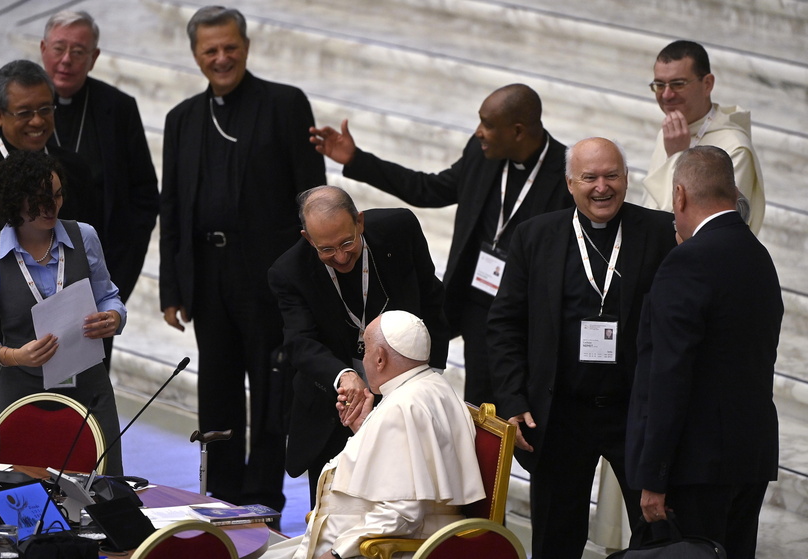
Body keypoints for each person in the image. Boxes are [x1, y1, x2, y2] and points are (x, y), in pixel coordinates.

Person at [309, 83, 573, 405]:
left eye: (487, 125)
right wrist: (358, 160)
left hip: (526, 308)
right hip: (477, 301)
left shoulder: (566, 172)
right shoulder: (483, 153)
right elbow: (428, 189)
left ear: (517, 131)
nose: (478, 132)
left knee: (521, 401)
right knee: (479, 403)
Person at [159, 5, 326, 510]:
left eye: (230, 46)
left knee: (273, 388)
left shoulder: (285, 104)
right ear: (195, 56)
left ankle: (262, 497)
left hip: (271, 277)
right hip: (208, 276)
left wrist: (309, 275)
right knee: (218, 390)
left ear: (246, 47)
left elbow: (312, 195)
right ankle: (222, 495)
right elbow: (171, 205)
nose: (222, 57)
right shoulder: (181, 118)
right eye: (210, 50)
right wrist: (172, 287)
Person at [487, 137, 676, 558]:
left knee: (658, 530)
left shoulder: (661, 233)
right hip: (561, 415)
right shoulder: (534, 236)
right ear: (570, 182)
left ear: (627, 179)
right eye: (589, 177)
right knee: (556, 536)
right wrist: (513, 399)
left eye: (612, 175)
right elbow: (504, 324)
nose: (601, 187)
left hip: (634, 412)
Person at [627, 146, 783, 558]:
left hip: (694, 466)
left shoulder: (687, 261)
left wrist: (654, 476)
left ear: (679, 196)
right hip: (749, 457)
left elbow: (669, 375)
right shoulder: (758, 255)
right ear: (733, 194)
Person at [268, 186, 449, 503]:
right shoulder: (288, 271)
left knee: (404, 498)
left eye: (347, 243)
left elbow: (432, 299)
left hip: (403, 391)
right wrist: (342, 376)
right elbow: (299, 342)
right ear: (308, 239)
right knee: (333, 509)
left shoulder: (399, 230)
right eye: (326, 250)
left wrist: (426, 377)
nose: (340, 257)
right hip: (336, 406)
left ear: (359, 222)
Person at [262, 311, 484, 559]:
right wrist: (366, 428)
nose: (363, 359)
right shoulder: (433, 387)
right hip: (369, 537)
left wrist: (337, 553)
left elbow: (403, 511)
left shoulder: (404, 405)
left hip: (379, 548)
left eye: (365, 350)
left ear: (380, 359)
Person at [0, 10, 160, 304]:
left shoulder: (119, 108)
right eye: (59, 49)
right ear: (42, 49)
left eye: (78, 51)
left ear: (94, 57)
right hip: (20, 286)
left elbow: (144, 196)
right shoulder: (11, 104)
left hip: (97, 276)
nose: (66, 60)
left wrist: (115, 281)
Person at [0, 150, 125, 475]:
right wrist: (15, 355)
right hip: (23, 392)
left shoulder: (85, 237)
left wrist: (114, 317)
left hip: (89, 387)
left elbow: (109, 296)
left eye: (56, 195)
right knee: (25, 497)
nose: (51, 207)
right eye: (39, 199)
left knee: (104, 492)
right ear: (13, 202)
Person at [0, 59, 98, 452]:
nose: (38, 121)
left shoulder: (74, 168)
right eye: (24, 112)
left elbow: (96, 249)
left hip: (75, 355)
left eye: (45, 109)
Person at [641, 40, 764, 234]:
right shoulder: (670, 132)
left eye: (677, 84)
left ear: (707, 84)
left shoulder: (735, 148)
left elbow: (718, 231)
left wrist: (678, 156)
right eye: (659, 85)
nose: (666, 95)